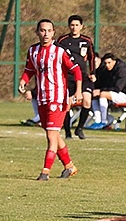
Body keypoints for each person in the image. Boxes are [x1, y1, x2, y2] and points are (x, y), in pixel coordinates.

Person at [18, 19, 82, 181]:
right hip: (42, 98)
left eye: (49, 31)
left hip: (58, 99)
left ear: (53, 32)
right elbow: (29, 70)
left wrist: (78, 91)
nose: (45, 34)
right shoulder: (33, 50)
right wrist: (23, 81)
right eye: (42, 30)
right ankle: (69, 166)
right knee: (54, 134)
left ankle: (45, 172)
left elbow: (76, 71)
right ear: (37, 32)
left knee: (51, 136)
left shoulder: (59, 51)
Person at [57, 15, 96, 140]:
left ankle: (79, 128)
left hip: (83, 76)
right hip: (67, 77)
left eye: (77, 25)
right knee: (67, 104)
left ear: (81, 26)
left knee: (87, 100)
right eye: (72, 25)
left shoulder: (87, 41)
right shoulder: (62, 40)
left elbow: (92, 58)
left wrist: (93, 72)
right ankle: (68, 132)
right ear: (69, 26)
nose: (74, 28)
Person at [88, 53, 126, 129]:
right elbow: (107, 85)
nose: (107, 65)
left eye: (109, 63)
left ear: (114, 61)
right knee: (96, 96)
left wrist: (101, 90)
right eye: (105, 63)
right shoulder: (109, 70)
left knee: (103, 94)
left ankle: (104, 122)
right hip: (118, 93)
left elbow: (117, 88)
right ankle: (98, 121)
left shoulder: (121, 70)